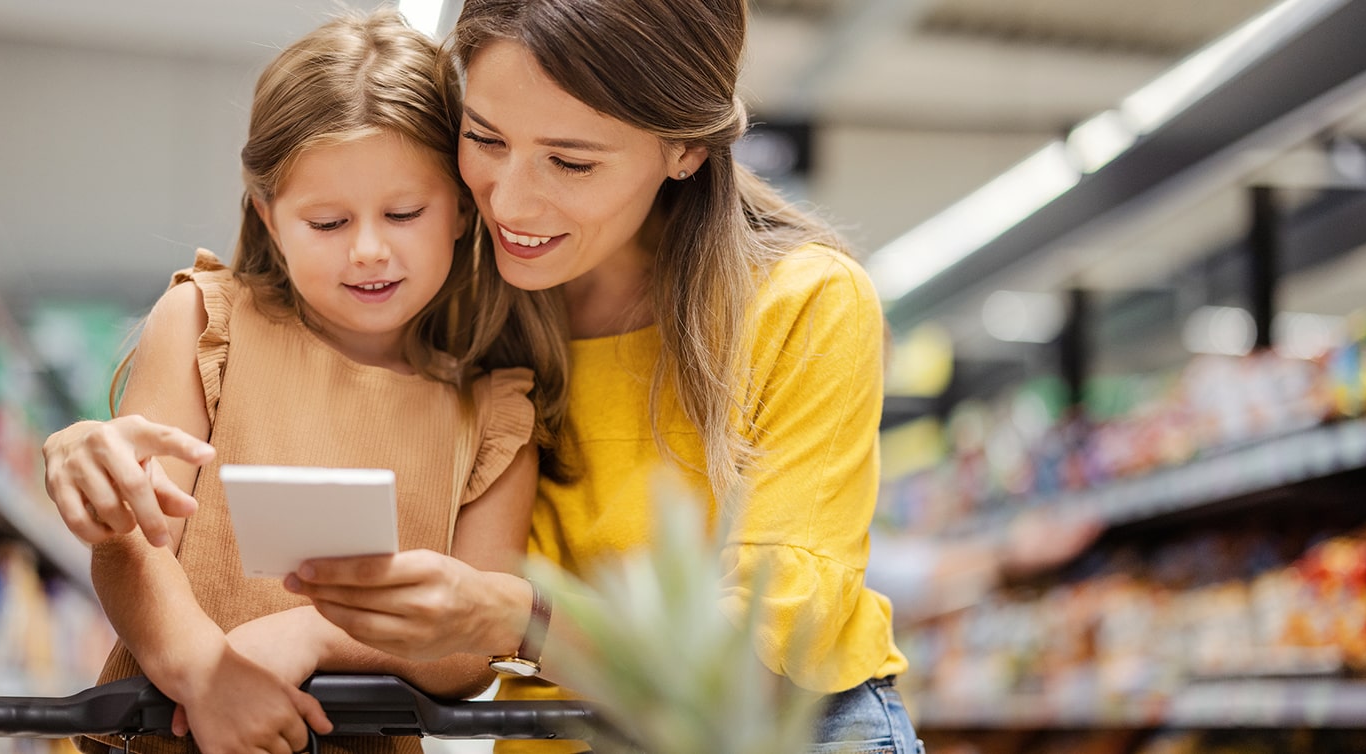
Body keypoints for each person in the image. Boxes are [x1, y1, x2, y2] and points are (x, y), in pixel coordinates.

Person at [46, 1, 928, 752]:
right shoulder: (462, 292)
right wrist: (89, 451)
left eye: (572, 162)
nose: (509, 200)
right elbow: (264, 359)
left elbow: (759, 650)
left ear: (685, 149)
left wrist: (514, 620)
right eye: (484, 138)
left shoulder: (803, 303)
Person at [42, 9, 565, 754]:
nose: (369, 251)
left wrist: (312, 632)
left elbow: (467, 649)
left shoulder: (495, 414)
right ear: (268, 214)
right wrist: (206, 672)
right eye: (326, 222)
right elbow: (132, 544)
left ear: (459, 209)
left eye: (405, 212)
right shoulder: (204, 323)